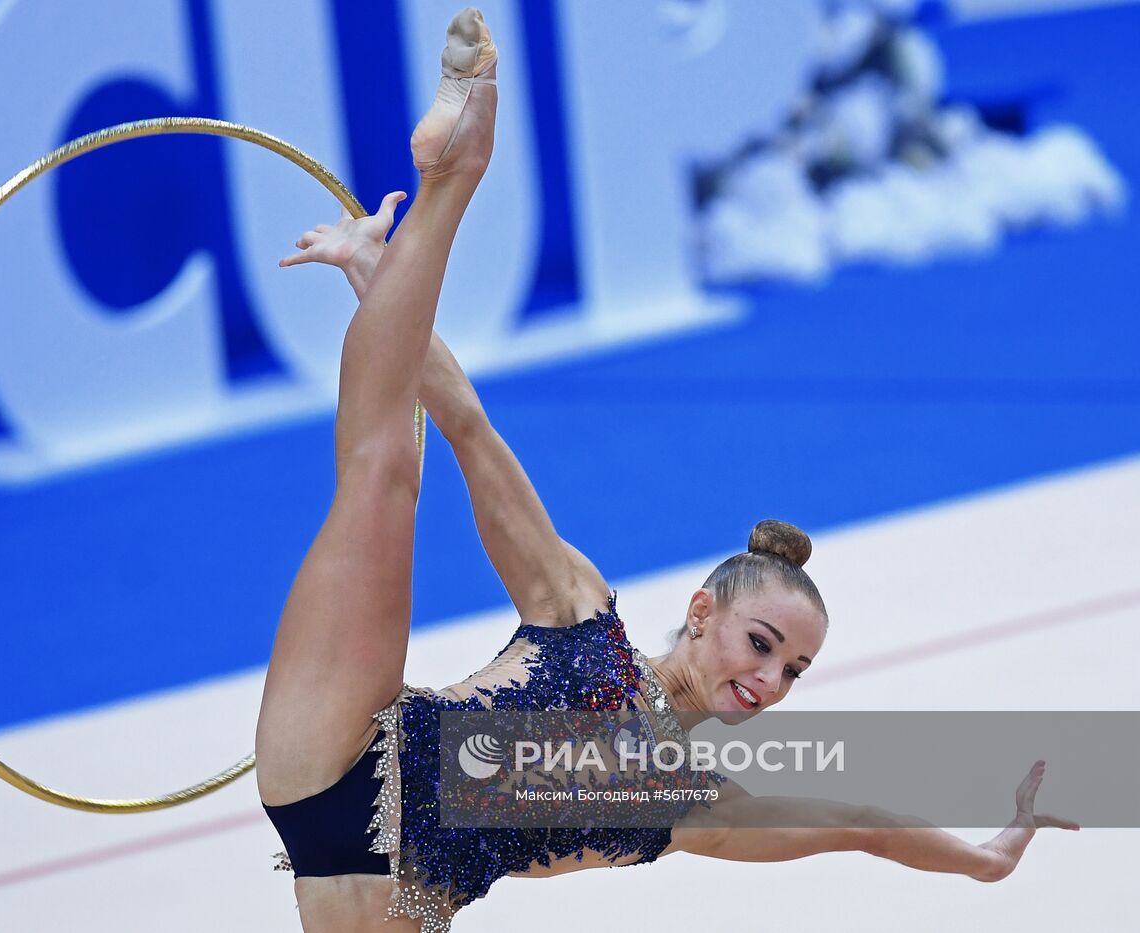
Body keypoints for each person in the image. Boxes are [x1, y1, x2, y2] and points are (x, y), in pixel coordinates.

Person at [255, 9, 1077, 932]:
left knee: (382, 469)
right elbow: (469, 431)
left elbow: (860, 822)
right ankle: (453, 177)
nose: (770, 681)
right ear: (701, 611)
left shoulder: (692, 803)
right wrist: (381, 278)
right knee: (380, 471)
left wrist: (989, 859)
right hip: (351, 743)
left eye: (795, 671)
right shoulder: (579, 613)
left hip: (355, 864)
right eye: (763, 643)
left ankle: (435, 205)